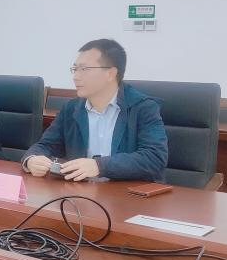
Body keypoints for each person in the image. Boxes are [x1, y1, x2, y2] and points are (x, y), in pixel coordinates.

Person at [22, 38, 168, 182]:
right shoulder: (71, 108)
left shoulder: (143, 108)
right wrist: (32, 159)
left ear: (110, 73)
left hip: (127, 194)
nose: (75, 77)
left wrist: (99, 166)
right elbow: (46, 145)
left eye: (84, 69)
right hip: (81, 192)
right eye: (75, 69)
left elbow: (154, 158)